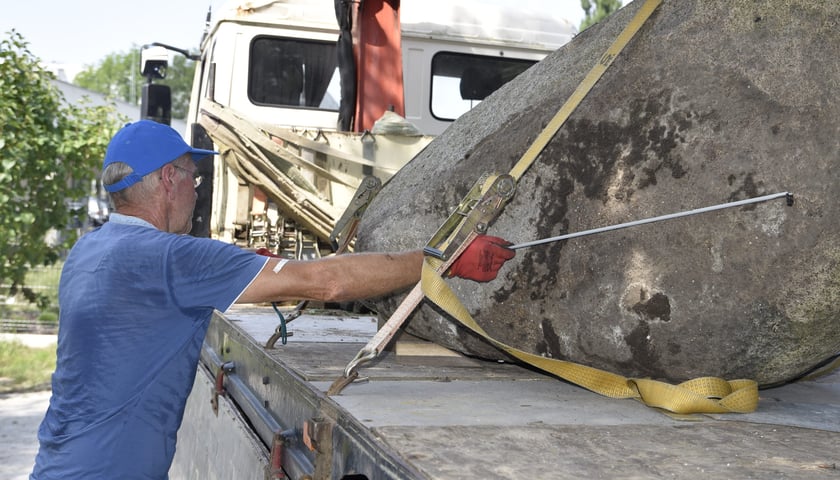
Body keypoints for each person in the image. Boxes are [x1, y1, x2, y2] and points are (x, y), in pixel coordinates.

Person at [30, 120, 515, 479]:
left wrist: (246, 264)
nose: (197, 192)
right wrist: (435, 261)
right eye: (192, 178)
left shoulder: (90, 251)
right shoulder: (169, 258)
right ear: (167, 180)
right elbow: (327, 284)